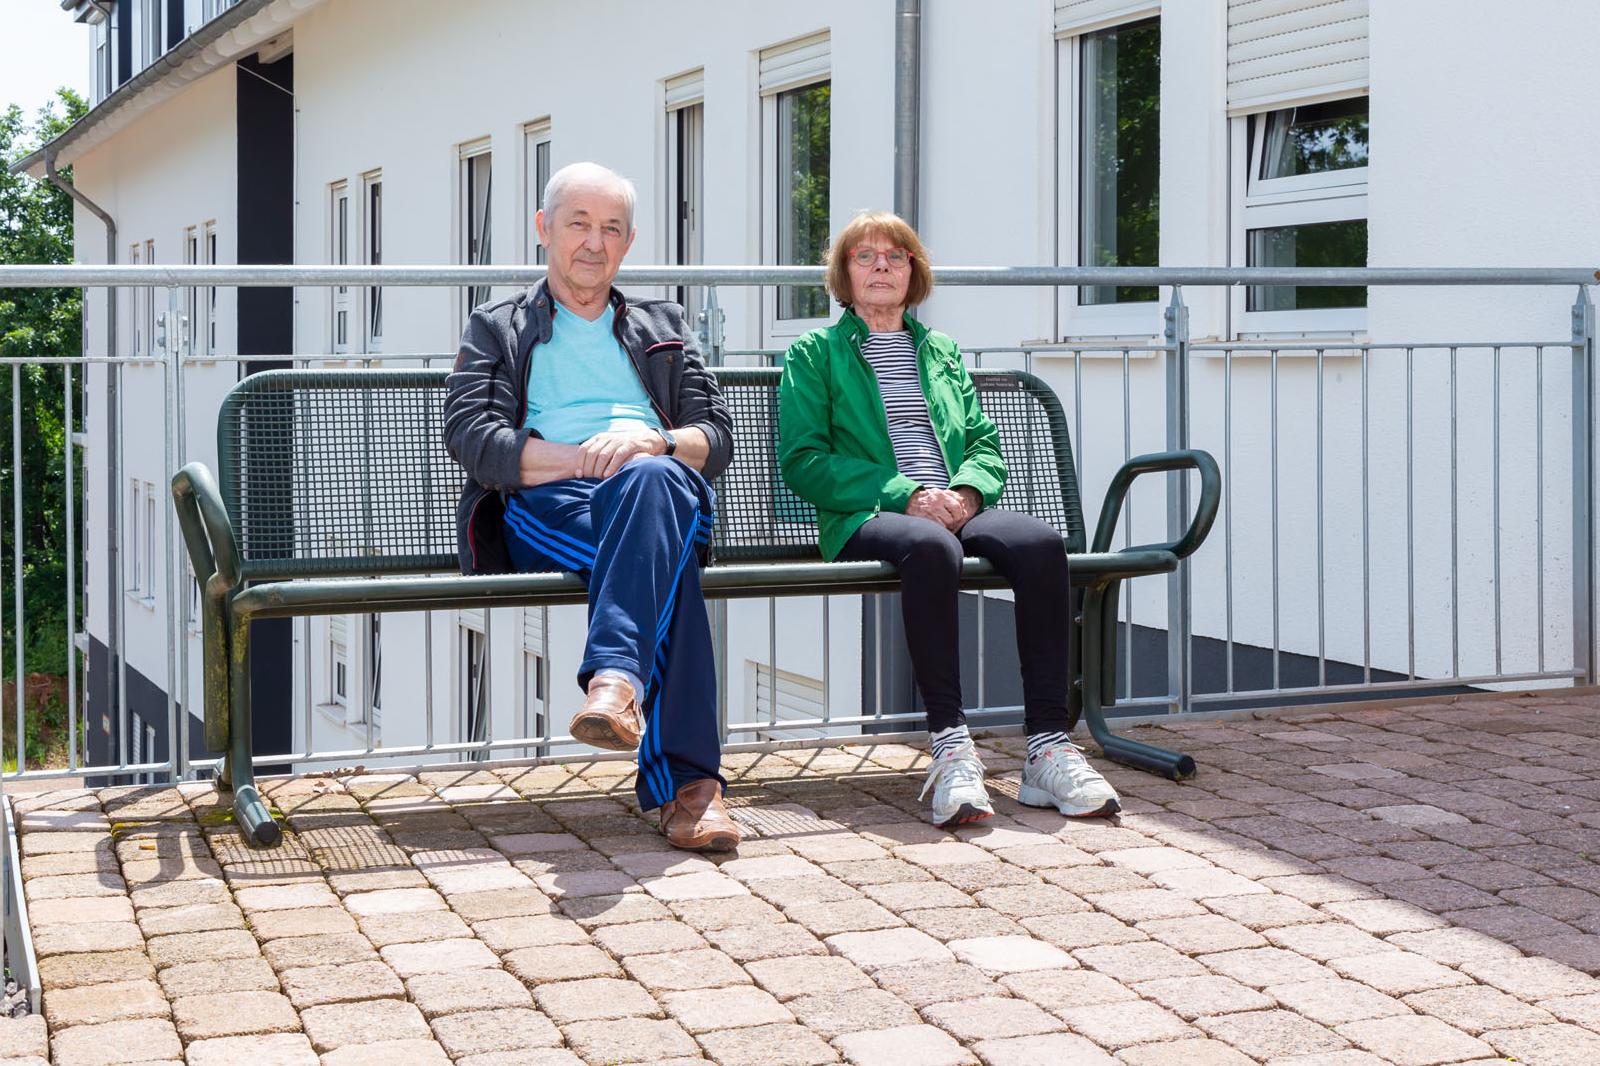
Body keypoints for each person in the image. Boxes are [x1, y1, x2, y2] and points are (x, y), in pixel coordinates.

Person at [776, 212, 1122, 828]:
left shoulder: (939, 350)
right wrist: (905, 493)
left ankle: (1046, 748)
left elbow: (986, 444)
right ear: (844, 274)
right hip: (868, 513)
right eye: (865, 256)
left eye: (896, 256)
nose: (881, 266)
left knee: (1041, 544)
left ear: (914, 273)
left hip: (954, 507)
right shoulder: (815, 353)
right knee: (933, 548)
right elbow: (803, 461)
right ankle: (952, 749)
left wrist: (965, 492)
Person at [444, 162, 738, 850]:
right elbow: (472, 438)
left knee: (653, 482)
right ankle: (693, 790)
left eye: (611, 228)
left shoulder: (663, 324)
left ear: (628, 243)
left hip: (660, 491)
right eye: (579, 222)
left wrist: (653, 440)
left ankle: (614, 679)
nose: (593, 241)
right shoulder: (498, 326)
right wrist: (586, 456)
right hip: (551, 503)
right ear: (545, 229)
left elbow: (716, 435)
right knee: (665, 563)